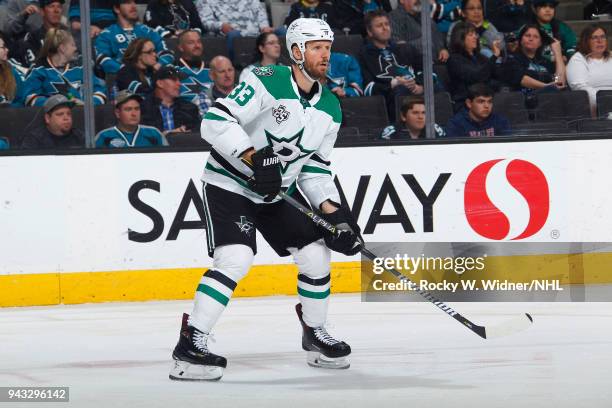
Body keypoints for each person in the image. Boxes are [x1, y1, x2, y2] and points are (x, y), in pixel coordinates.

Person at [169, 17, 363, 381]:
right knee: (236, 257)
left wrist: (336, 216)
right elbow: (214, 122)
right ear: (295, 51)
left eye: (328, 48)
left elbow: (315, 171)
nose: (326, 55)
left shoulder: (331, 108)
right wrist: (253, 158)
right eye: (317, 48)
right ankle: (191, 344)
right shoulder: (266, 79)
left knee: (316, 255)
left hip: (277, 194)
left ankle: (314, 334)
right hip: (230, 184)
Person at [358, 10, 424, 122]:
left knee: (436, 87)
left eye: (387, 24)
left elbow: (427, 71)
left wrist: (421, 87)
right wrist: (393, 84)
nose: (385, 28)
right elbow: (368, 88)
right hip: (392, 94)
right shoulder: (364, 55)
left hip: (415, 89)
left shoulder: (405, 48)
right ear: (369, 31)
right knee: (401, 90)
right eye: (379, 25)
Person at [22, 28, 107, 107]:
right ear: (62, 48)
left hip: (81, 116)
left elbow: (100, 91)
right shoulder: (38, 69)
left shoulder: (81, 67)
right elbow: (29, 97)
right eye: (73, 45)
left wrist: (87, 104)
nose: (76, 48)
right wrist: (57, 104)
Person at [95, 0, 174, 76]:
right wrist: (125, 70)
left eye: (134, 2)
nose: (133, 6)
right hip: (123, 82)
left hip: (153, 77)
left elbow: (166, 53)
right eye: (127, 2)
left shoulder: (148, 31)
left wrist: (160, 64)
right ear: (116, 9)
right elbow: (102, 59)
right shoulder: (106, 34)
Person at [447, 21, 501, 110]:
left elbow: (497, 75)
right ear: (460, 38)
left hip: (488, 100)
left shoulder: (481, 57)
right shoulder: (454, 60)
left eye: (475, 34)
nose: (475, 37)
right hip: (465, 105)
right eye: (471, 34)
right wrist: (494, 57)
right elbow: (476, 77)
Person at [499, 23, 566, 92]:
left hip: (547, 98)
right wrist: (547, 87)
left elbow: (558, 81)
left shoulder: (545, 62)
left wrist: (558, 54)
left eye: (536, 37)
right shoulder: (511, 59)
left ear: (540, 43)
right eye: (527, 35)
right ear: (520, 40)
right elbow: (522, 79)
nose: (531, 39)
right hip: (522, 99)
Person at [567, 24, 612, 117]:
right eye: (595, 38)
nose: (600, 41)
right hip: (594, 107)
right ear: (586, 41)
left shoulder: (611, 57)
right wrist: (604, 100)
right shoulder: (578, 59)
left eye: (602, 37)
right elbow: (579, 87)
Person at [96, 90, 168, 147]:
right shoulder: (104, 137)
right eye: (128, 109)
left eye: (137, 109)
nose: (134, 114)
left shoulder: (154, 134)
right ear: (118, 113)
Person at [141, 65, 200, 134]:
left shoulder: (190, 109)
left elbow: (197, 135)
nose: (179, 84)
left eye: (179, 80)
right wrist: (166, 134)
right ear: (160, 83)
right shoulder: (142, 109)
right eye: (174, 80)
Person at [11, 0, 64, 67]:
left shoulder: (68, 37)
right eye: (52, 6)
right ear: (42, 12)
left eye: (59, 7)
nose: (56, 10)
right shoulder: (33, 39)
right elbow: (35, 69)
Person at [446, 83, 511, 137]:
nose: (486, 106)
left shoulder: (500, 121)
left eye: (489, 102)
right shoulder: (456, 124)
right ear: (469, 103)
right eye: (481, 102)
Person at [175, 29, 212, 118]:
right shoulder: (174, 69)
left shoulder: (212, 69)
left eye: (199, 42)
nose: (197, 45)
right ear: (181, 47)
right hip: (184, 115)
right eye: (191, 42)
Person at [380, 95, 446, 139]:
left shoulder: (435, 130)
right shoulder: (391, 134)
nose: (420, 117)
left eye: (424, 113)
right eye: (415, 113)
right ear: (403, 116)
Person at [0, 32, 26, 106]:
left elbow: (21, 98)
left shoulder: (10, 69)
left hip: (12, 114)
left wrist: (10, 107)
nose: (7, 50)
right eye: (3, 47)